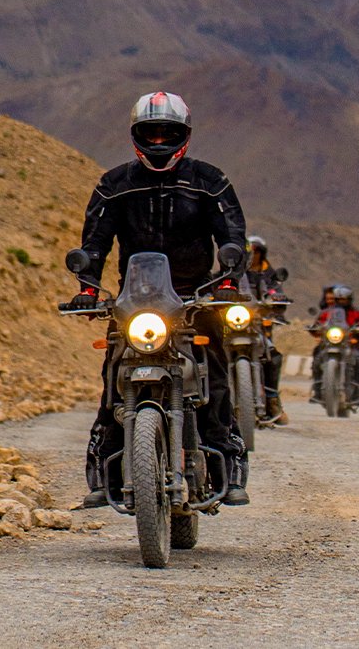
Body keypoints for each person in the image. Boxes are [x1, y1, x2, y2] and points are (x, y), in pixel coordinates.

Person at [69, 91, 250, 508]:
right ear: (136, 135)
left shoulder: (210, 181)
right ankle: (106, 469)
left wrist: (227, 279)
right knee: (114, 375)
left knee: (215, 375)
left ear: (183, 134)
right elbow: (94, 242)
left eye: (167, 132)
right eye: (150, 133)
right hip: (136, 298)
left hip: (194, 296)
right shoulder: (114, 184)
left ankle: (227, 458)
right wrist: (88, 286)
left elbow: (231, 236)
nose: (158, 140)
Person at [245, 235, 289, 426]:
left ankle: (272, 399)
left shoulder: (268, 275)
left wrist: (275, 298)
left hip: (256, 324)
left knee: (272, 357)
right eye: (249, 251)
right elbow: (216, 286)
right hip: (231, 325)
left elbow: (274, 291)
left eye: (256, 251)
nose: (252, 255)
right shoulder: (233, 272)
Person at [310, 284, 359, 406]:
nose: (341, 302)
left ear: (349, 300)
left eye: (344, 299)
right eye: (338, 299)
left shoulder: (356, 314)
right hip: (329, 343)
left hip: (350, 345)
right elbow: (318, 324)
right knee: (317, 358)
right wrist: (315, 328)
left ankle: (358, 391)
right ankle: (317, 391)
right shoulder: (327, 313)